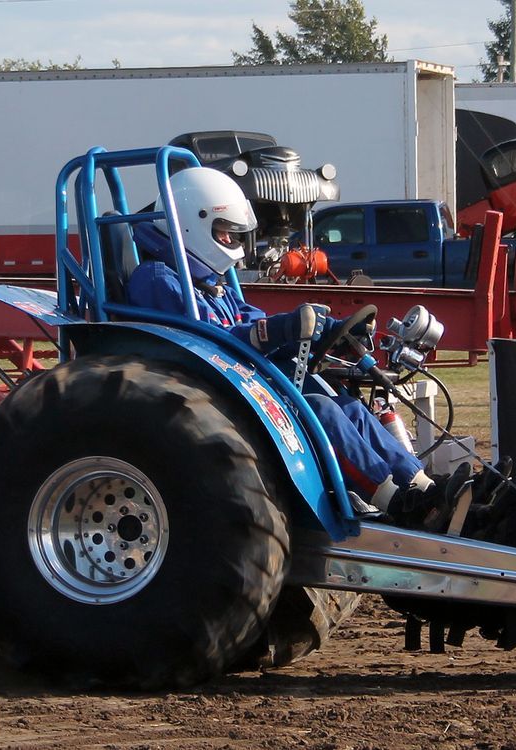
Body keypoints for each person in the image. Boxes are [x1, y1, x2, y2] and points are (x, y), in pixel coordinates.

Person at [126, 166, 469, 521]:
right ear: (190, 226)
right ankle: (395, 503)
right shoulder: (158, 280)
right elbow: (203, 342)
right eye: (225, 234)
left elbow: (249, 319)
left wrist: (324, 331)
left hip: (243, 384)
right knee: (322, 411)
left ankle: (426, 488)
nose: (233, 245)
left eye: (234, 234)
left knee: (350, 407)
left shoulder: (209, 284)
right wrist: (276, 331)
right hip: (209, 396)